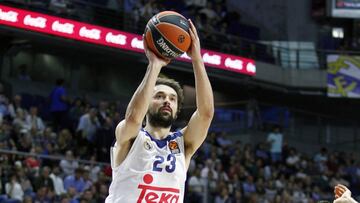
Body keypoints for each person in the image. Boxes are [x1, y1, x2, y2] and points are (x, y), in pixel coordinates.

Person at [105, 19, 214, 203]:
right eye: (159, 96)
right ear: (147, 102)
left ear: (177, 109)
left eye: (172, 99)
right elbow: (133, 119)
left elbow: (206, 114)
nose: (166, 101)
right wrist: (154, 65)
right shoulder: (131, 137)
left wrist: (196, 59)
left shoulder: (183, 145)